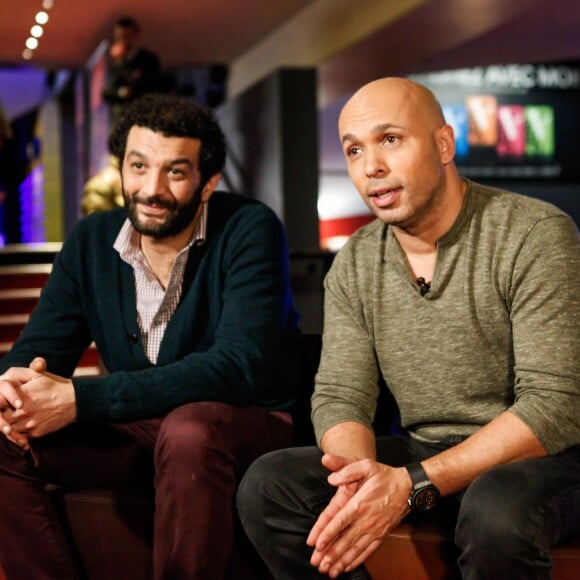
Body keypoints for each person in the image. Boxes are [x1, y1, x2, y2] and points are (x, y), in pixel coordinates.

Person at [237, 77, 580, 579]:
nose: (371, 166)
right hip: (425, 450)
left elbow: (555, 405)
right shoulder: (356, 261)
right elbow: (340, 395)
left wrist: (414, 482)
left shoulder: (533, 233)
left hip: (542, 457)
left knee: (495, 510)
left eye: (390, 140)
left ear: (444, 144)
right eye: (354, 150)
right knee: (270, 484)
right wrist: (362, 481)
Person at [0, 92, 301, 579]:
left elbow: (237, 369)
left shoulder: (249, 228)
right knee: (2, 434)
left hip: (245, 424)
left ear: (207, 184)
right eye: (138, 166)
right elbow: (39, 350)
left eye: (175, 172)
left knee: (188, 431)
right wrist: (8, 391)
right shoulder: (92, 240)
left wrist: (79, 398)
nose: (151, 188)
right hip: (140, 428)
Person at [102, 16, 162, 123]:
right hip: (121, 118)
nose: (123, 41)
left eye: (127, 36)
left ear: (136, 35)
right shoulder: (116, 63)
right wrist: (121, 92)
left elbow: (151, 86)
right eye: (119, 37)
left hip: (143, 115)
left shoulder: (148, 60)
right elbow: (107, 92)